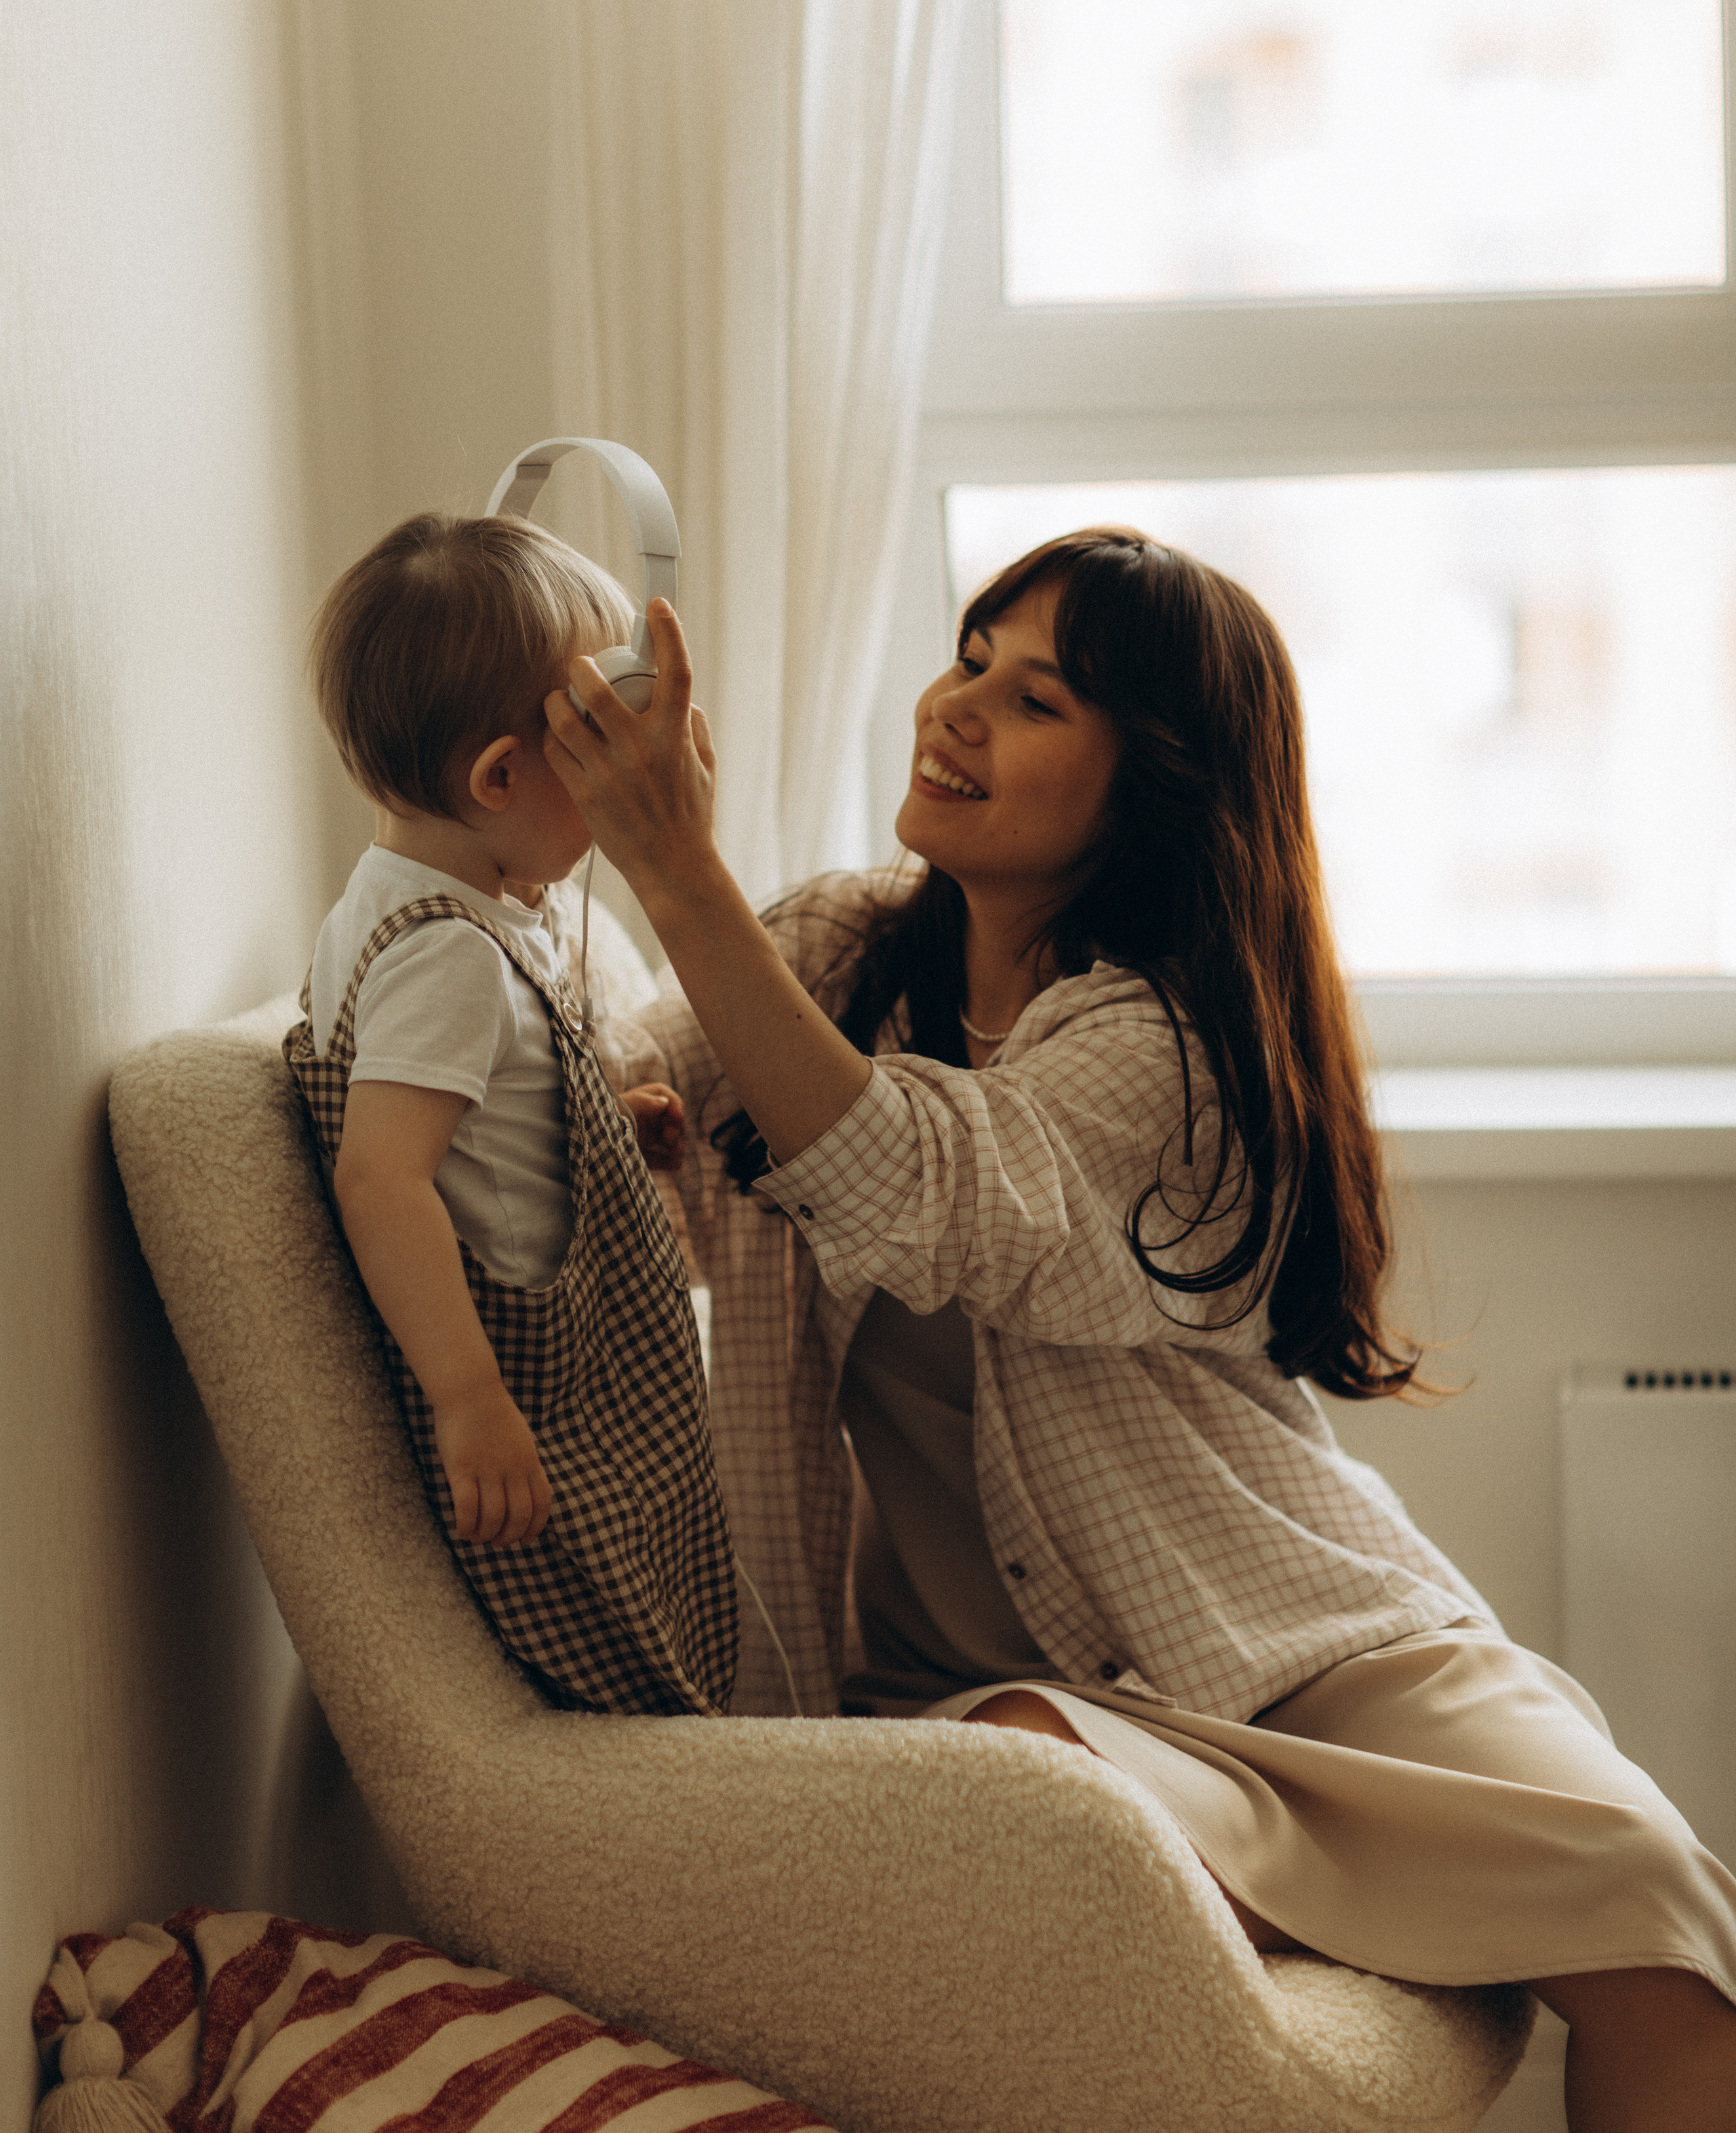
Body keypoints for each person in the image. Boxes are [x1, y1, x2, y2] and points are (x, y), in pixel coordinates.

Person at [547, 526, 1736, 2131]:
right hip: (983, 1687)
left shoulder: (1162, 1044)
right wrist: (622, 1121)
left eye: (1035, 702)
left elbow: (936, 1198)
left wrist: (675, 870)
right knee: (1039, 1792)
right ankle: (1335, 1889)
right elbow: (608, 1094)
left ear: (1154, 786)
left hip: (1299, 1644)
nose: (956, 712)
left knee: (1672, 1929)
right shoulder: (826, 949)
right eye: (969, 662)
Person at [287, 510, 736, 1718]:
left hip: (546, 1348)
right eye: (598, 749)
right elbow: (386, 1179)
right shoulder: (448, 956)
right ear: (500, 779)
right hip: (540, 1386)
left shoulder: (404, 906)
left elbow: (481, 1115)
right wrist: (470, 1399)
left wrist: (594, 1120)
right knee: (633, 1633)